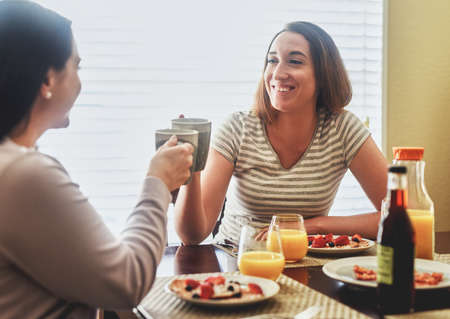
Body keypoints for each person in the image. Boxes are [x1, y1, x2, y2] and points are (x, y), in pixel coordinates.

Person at [0, 1, 193, 318]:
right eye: (76, 66)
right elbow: (126, 284)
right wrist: (157, 184)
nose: (79, 81)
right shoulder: (24, 174)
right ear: (48, 80)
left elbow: (88, 273)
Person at [174, 21, 388, 246]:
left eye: (294, 62)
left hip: (306, 261)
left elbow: (407, 216)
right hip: (236, 260)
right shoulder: (238, 128)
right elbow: (192, 236)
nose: (277, 73)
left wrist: (316, 225)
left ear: (323, 75)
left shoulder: (342, 128)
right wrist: (192, 170)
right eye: (272, 60)